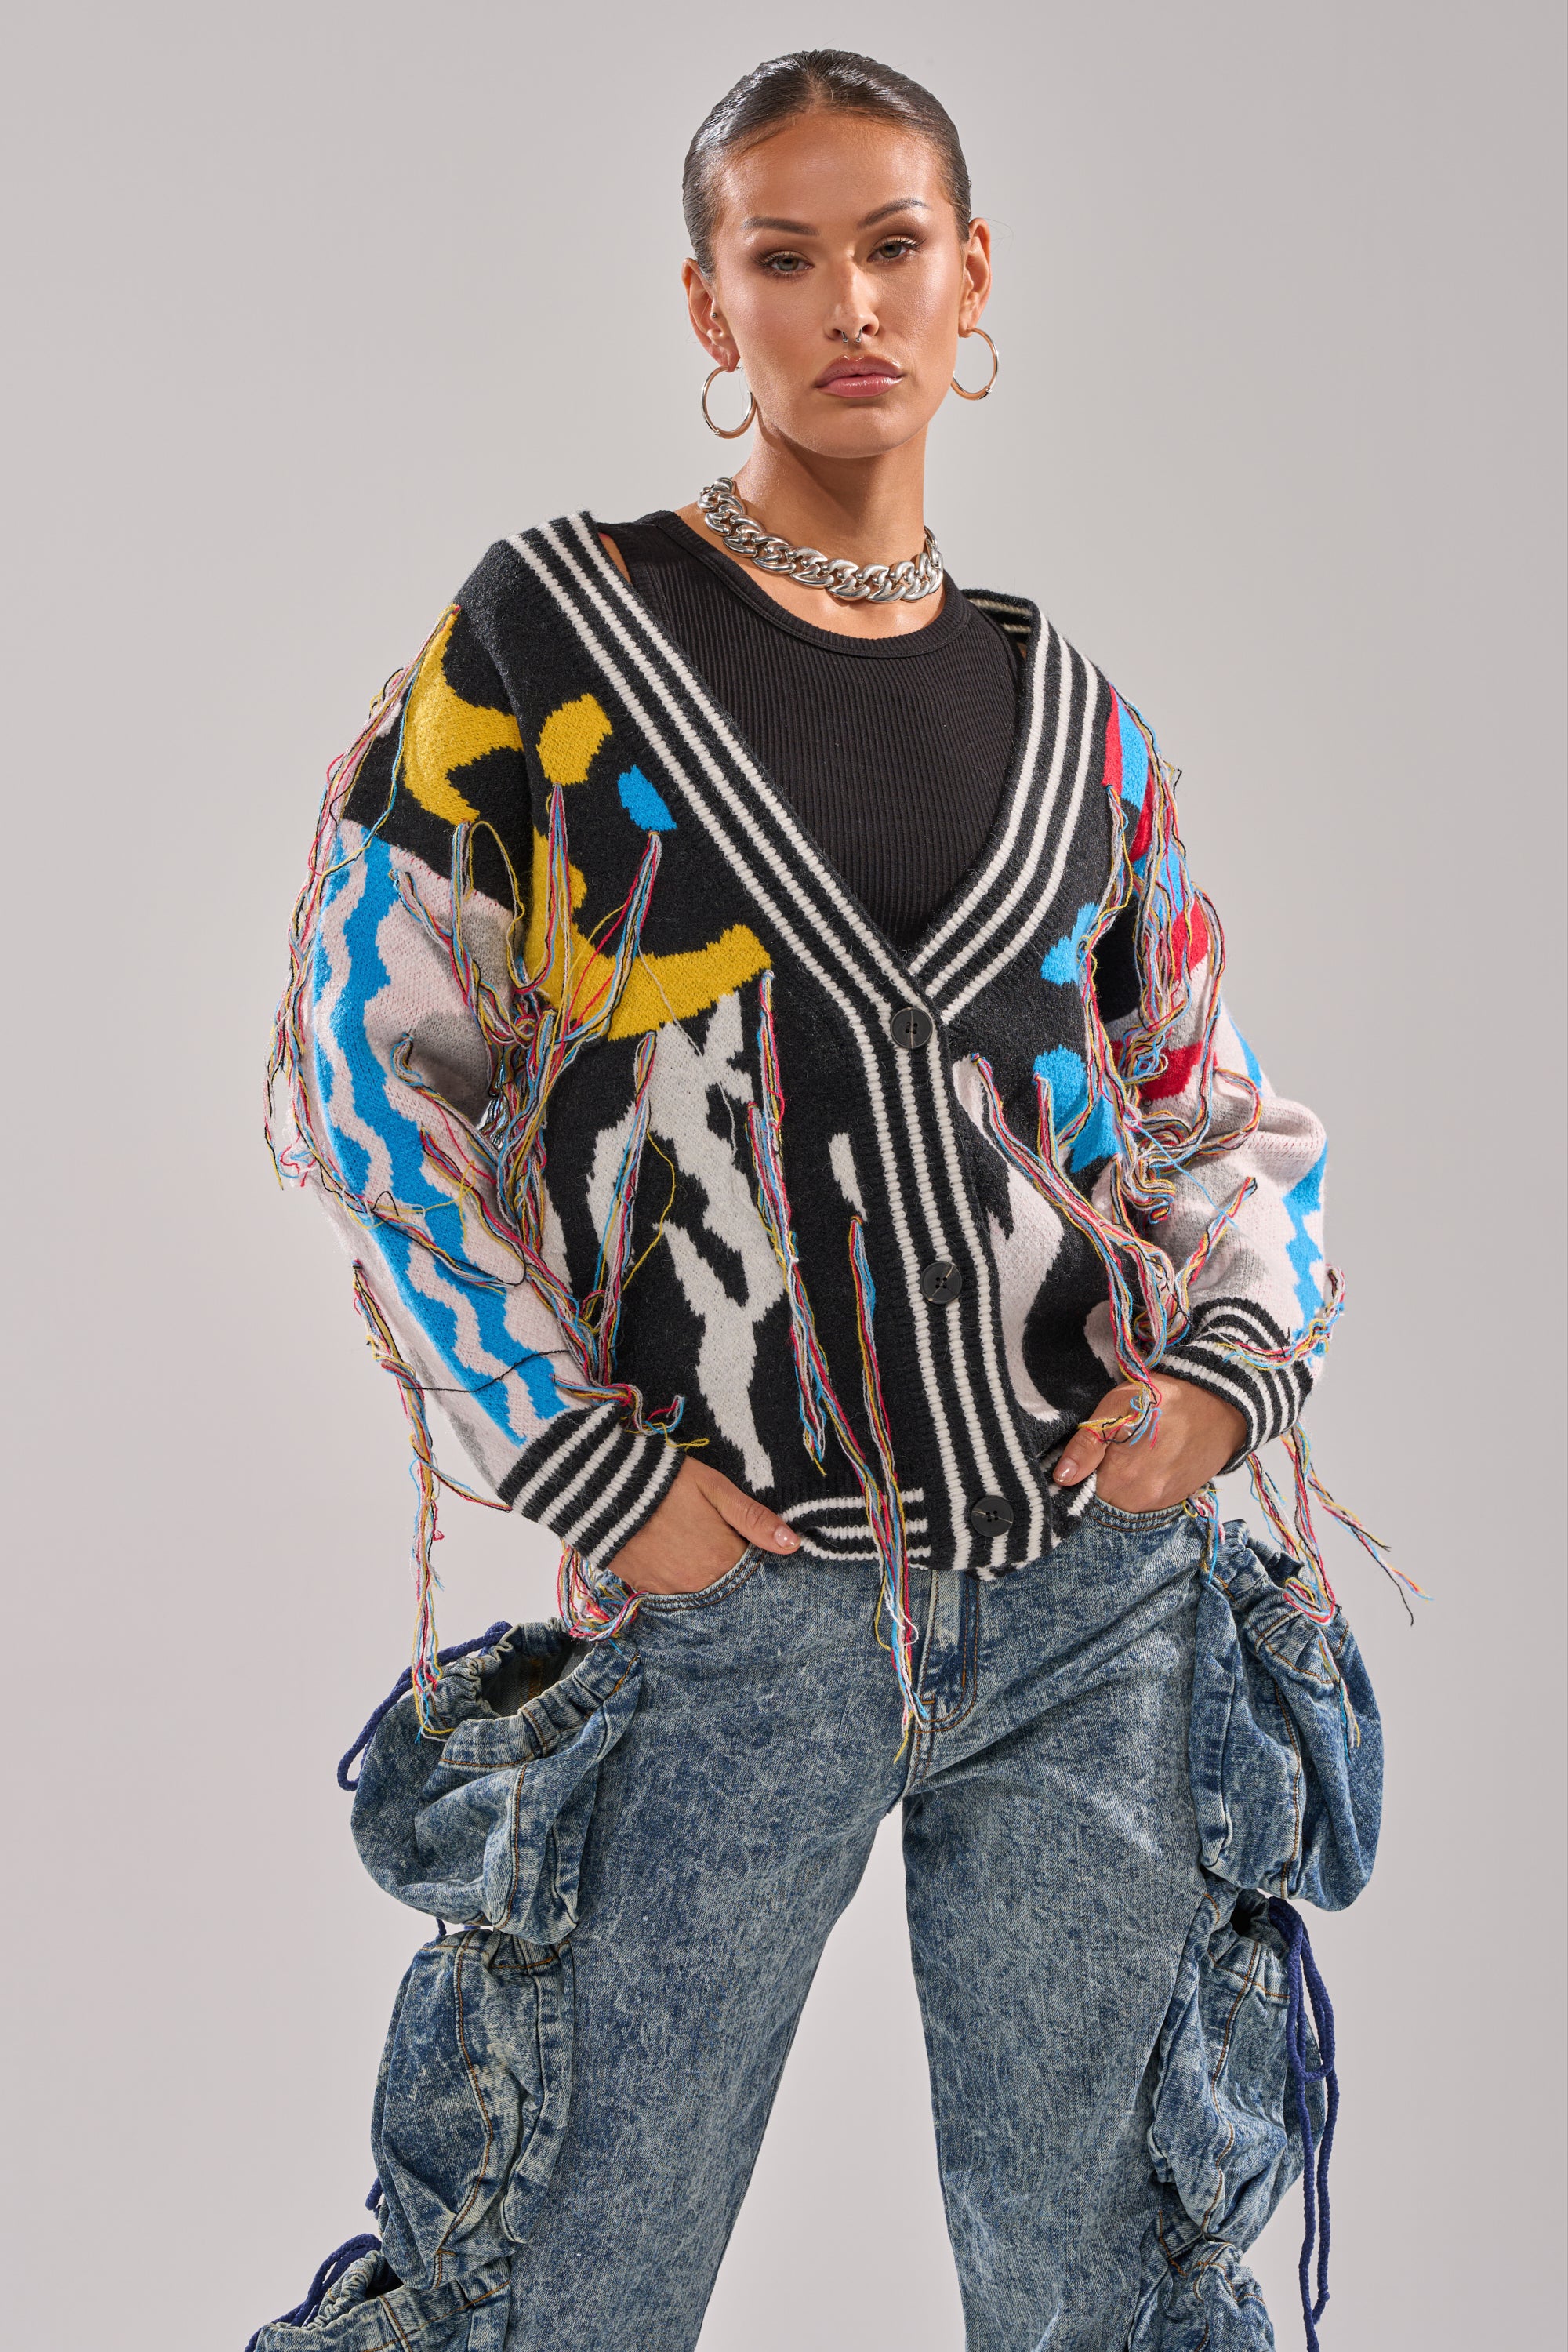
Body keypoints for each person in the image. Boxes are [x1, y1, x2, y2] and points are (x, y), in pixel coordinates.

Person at [257, 49, 1385, 2352]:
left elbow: (1204, 1106)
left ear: (976, 280)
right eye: (786, 257)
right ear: (709, 304)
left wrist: (1223, 1374)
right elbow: (382, 1083)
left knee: (1112, 2290)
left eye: (895, 247)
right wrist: (590, 1461)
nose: (848, 302)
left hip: (1100, 1613)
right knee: (550, 2281)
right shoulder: (551, 645)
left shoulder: (1073, 716)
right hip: (738, 1603)